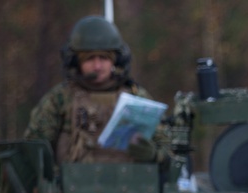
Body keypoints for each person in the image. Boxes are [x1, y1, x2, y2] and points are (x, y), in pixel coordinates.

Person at [24, 15, 168, 165]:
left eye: (103, 58)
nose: (97, 66)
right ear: (76, 62)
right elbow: (34, 149)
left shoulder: (137, 98)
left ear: (115, 60)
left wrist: (154, 155)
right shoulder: (60, 99)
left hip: (130, 185)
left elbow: (169, 149)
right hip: (72, 186)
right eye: (89, 59)